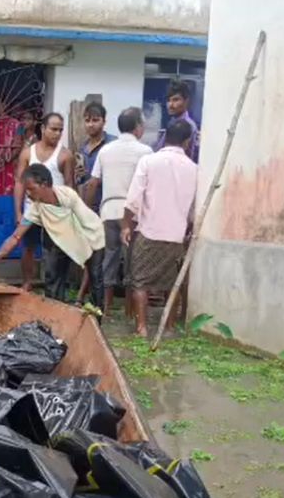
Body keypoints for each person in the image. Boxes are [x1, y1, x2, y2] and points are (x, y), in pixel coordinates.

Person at [0, 164, 102, 306]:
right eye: (26, 190)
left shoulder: (67, 195)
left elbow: (84, 222)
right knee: (53, 281)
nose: (28, 194)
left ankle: (96, 316)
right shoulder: (34, 208)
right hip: (60, 240)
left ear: (44, 185)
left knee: (96, 278)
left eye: (31, 189)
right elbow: (14, 238)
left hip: (87, 235)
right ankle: (54, 314)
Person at [123, 119, 198, 337]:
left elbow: (133, 198)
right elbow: (193, 208)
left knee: (140, 281)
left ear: (165, 137)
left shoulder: (148, 162)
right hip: (175, 236)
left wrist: (126, 226)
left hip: (148, 232)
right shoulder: (194, 169)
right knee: (170, 284)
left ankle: (142, 327)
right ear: (187, 142)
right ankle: (169, 327)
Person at [86, 106, 152, 317]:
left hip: (108, 211)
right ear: (138, 127)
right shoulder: (146, 152)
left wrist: (88, 211)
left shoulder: (105, 150)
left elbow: (93, 183)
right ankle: (130, 312)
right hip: (133, 214)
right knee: (133, 262)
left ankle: (105, 309)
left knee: (110, 259)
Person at [12, 112, 76, 292]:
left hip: (55, 212)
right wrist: (18, 212)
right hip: (30, 209)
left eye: (60, 130)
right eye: (53, 129)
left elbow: (69, 185)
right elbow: (19, 182)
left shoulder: (65, 156)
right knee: (27, 247)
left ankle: (53, 286)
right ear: (43, 128)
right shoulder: (27, 153)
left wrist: (69, 212)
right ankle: (27, 283)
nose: (57, 133)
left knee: (54, 251)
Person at [74, 101, 115, 303]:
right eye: (88, 120)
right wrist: (80, 176)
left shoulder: (112, 145)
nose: (91, 125)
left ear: (104, 122)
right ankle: (85, 295)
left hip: (108, 206)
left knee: (104, 255)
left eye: (95, 120)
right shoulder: (83, 148)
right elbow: (83, 180)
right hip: (90, 207)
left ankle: (95, 299)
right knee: (92, 253)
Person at [149, 79, 200, 162]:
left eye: (176, 100)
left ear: (186, 101)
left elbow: (190, 158)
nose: (170, 105)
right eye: (169, 100)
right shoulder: (172, 123)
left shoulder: (189, 126)